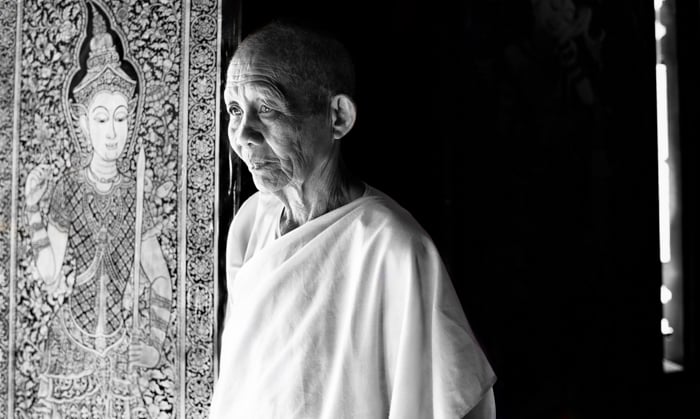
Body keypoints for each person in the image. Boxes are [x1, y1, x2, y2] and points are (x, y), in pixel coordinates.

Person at [210, 21, 496, 419]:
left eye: (268, 108)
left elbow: (448, 399)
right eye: (235, 111)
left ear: (338, 117)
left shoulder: (393, 246)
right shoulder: (251, 223)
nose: (243, 134)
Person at [23, 7, 172, 418]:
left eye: (122, 119)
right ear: (82, 121)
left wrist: (156, 344)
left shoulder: (134, 194)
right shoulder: (69, 188)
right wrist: (34, 212)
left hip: (123, 351)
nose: (112, 133)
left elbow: (158, 275)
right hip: (69, 344)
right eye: (102, 118)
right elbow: (51, 274)